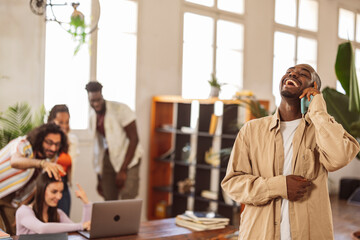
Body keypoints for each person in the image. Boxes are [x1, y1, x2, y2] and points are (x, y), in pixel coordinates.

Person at [221, 64, 360, 240]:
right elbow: (233, 184)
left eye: (303, 74)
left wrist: (318, 111)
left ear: (313, 89)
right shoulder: (251, 130)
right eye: (289, 71)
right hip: (259, 234)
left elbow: (339, 157)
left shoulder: (321, 130)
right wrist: (279, 186)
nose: (293, 73)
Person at [0, 123, 67, 235]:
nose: (53, 148)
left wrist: (22, 209)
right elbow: (15, 161)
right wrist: (42, 163)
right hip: (2, 189)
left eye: (57, 144)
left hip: (13, 201)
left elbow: (38, 186)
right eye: (49, 143)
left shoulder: (51, 159)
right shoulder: (24, 144)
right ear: (40, 139)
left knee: (14, 234)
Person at [85, 81, 142, 200]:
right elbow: (98, 146)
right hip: (108, 158)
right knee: (108, 197)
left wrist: (123, 170)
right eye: (92, 101)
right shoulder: (92, 115)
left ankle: (128, 219)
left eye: (98, 100)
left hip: (129, 158)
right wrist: (99, 175)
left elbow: (134, 139)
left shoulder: (120, 109)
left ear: (102, 95)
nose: (95, 104)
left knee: (128, 196)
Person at [16, 173, 91, 234]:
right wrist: (81, 226)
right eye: (54, 192)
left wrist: (86, 203)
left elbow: (82, 229)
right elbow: (42, 228)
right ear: (41, 190)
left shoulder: (58, 214)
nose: (59, 197)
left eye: (61, 192)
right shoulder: (23, 211)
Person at [48, 104, 80, 216]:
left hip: (63, 185)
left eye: (67, 122)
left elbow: (70, 163)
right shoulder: (46, 139)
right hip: (48, 184)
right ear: (52, 121)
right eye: (60, 122)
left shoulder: (72, 140)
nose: (65, 126)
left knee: (64, 220)